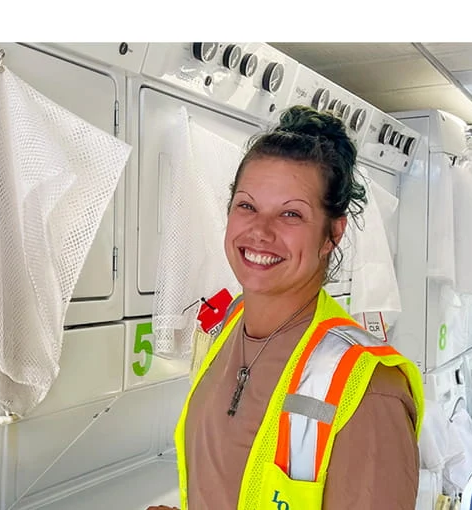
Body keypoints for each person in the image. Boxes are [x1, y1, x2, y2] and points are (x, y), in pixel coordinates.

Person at [148, 105, 425, 510]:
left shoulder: (369, 390)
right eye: (247, 206)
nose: (260, 231)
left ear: (332, 234)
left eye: (291, 214)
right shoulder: (227, 327)